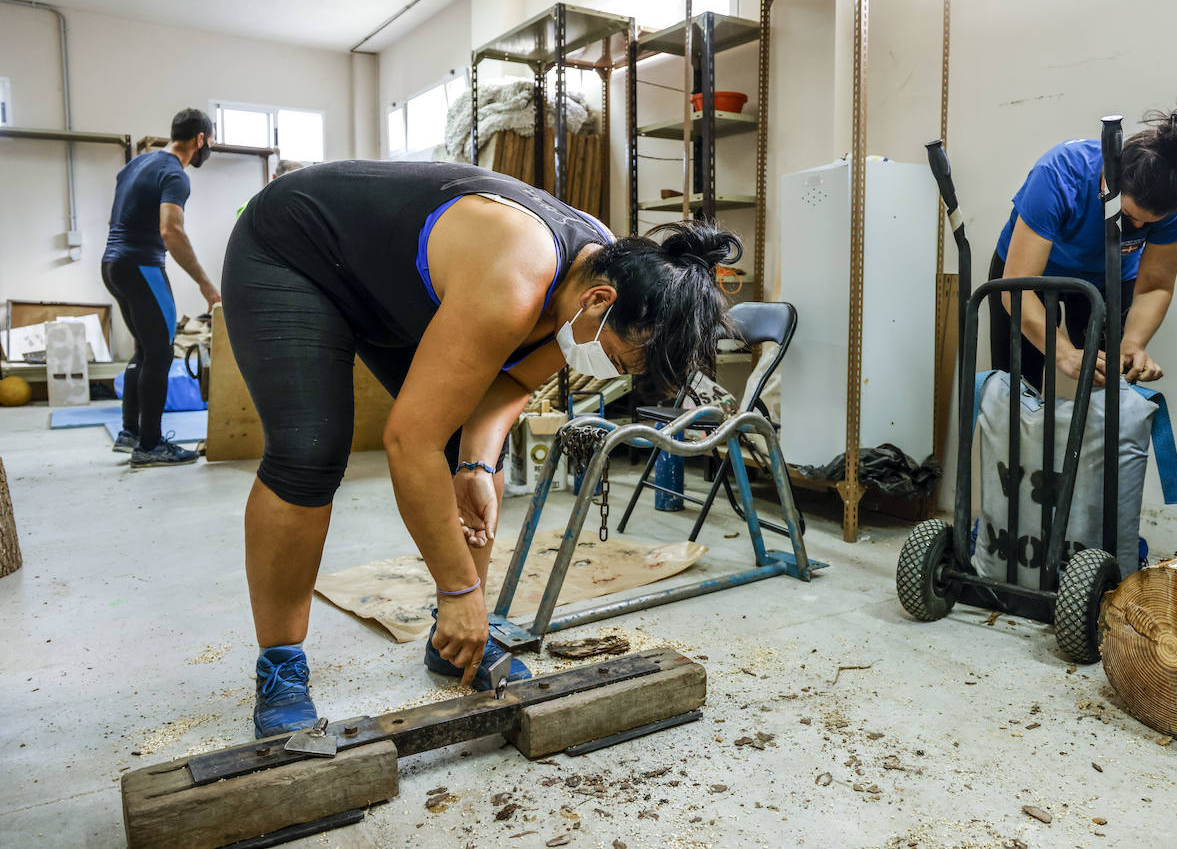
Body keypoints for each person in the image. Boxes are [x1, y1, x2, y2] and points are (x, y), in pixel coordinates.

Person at [222, 161, 740, 737]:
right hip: (294, 253)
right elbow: (405, 440)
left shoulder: (609, 278)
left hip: (383, 285)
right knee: (310, 451)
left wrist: (475, 461)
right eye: (617, 359)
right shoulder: (517, 278)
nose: (608, 371)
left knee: (461, 450)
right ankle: (282, 665)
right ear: (598, 299)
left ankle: (457, 643)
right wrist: (458, 588)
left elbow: (512, 385)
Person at [990, 104, 1177, 389]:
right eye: (1128, 217)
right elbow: (1018, 288)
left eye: (1149, 223)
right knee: (1015, 390)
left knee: (1110, 385)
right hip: (1028, 280)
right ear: (1107, 183)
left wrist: (1133, 343)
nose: (1137, 229)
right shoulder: (1058, 173)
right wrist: (1063, 354)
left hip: (1108, 279)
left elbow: (1155, 286)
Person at [102, 108, 222, 467]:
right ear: (200, 139)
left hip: (113, 265)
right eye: (210, 141)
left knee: (145, 349)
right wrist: (206, 284)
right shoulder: (174, 173)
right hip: (141, 265)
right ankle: (150, 446)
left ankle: (131, 432)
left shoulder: (137, 164)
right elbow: (171, 231)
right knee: (160, 353)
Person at [235, 159, 303, 218]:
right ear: (274, 177)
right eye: (289, 181)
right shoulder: (249, 209)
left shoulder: (302, 206)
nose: (295, 187)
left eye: (299, 181)